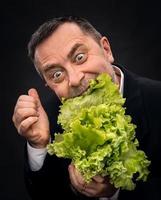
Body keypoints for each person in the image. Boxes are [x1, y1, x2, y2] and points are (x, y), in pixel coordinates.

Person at [12, 16, 161, 200]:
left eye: (80, 57)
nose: (75, 79)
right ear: (48, 85)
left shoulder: (156, 99)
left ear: (106, 49)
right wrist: (38, 145)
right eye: (57, 74)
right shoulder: (48, 118)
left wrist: (116, 191)